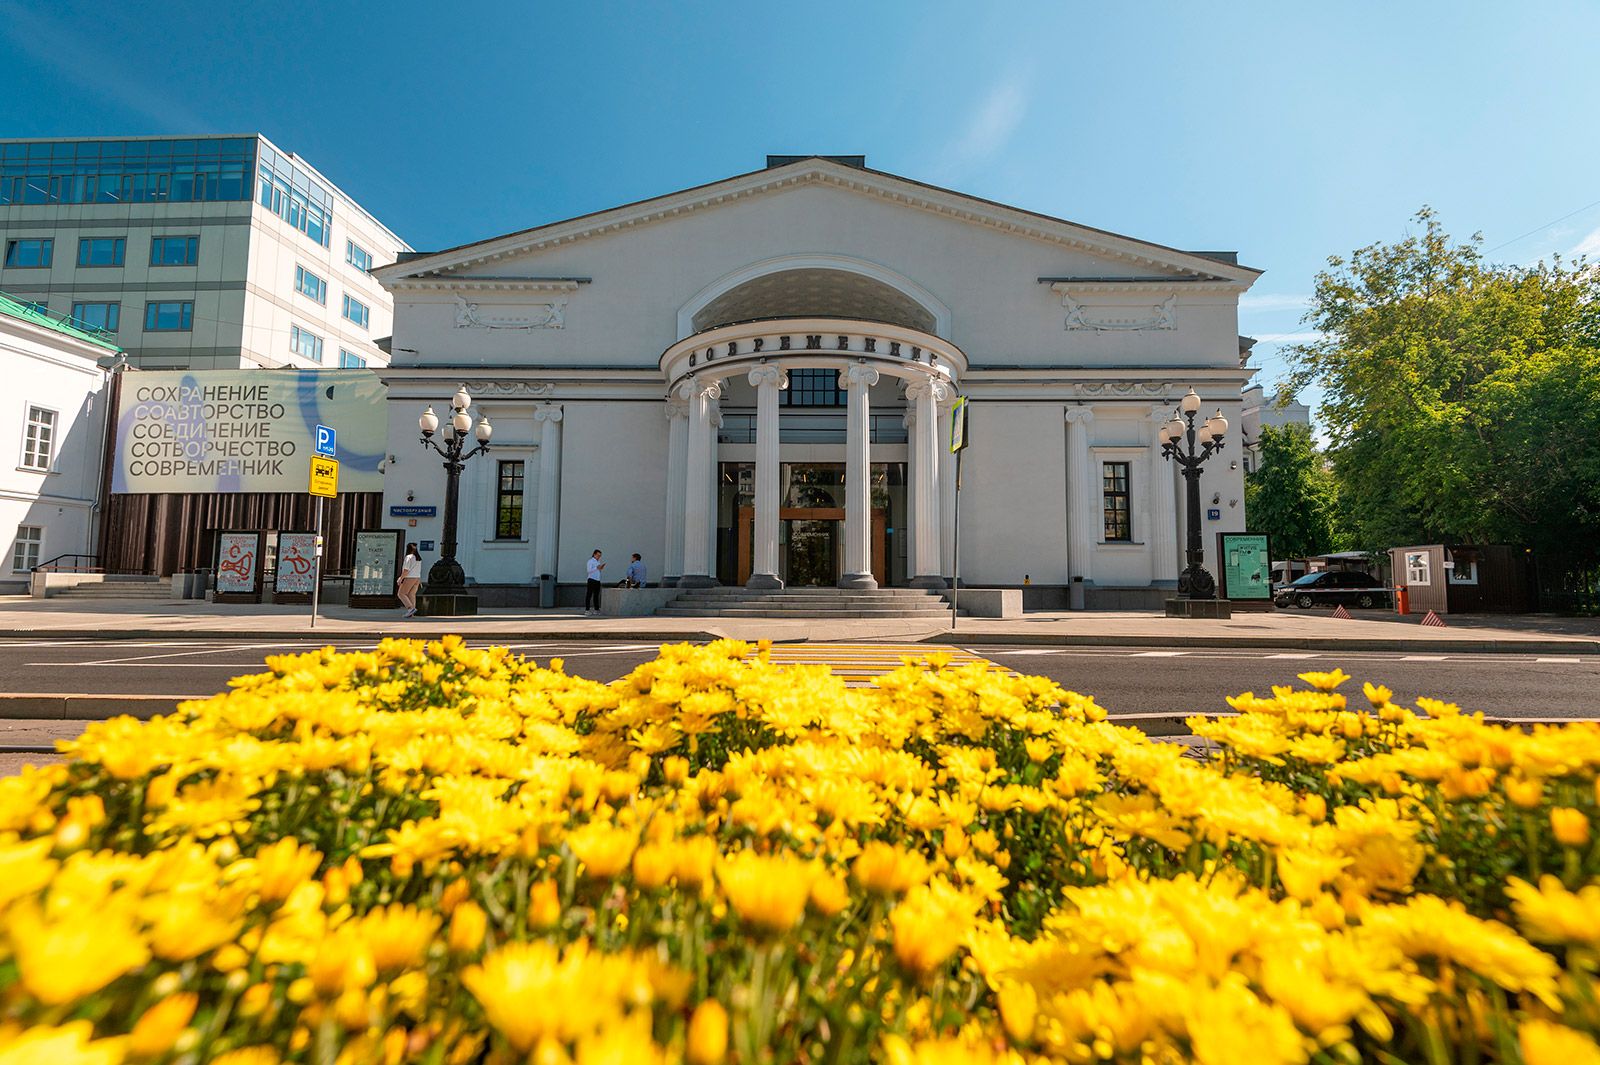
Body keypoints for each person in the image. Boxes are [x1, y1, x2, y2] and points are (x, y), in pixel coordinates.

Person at [398, 543, 422, 617]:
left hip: (409, 577)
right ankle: (412, 612)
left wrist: (400, 578)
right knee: (411, 594)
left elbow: (406, 570)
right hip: (417, 578)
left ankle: (410, 608)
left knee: (401, 593)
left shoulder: (408, 557)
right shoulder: (418, 558)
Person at [585, 549, 605, 614]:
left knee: (596, 595)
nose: (599, 557)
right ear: (594, 554)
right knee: (589, 595)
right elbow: (589, 571)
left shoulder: (598, 561)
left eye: (600, 556)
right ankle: (587, 610)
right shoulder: (590, 561)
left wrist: (600, 568)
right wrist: (597, 568)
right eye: (598, 555)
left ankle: (596, 609)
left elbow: (597, 570)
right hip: (591, 579)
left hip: (597, 580)